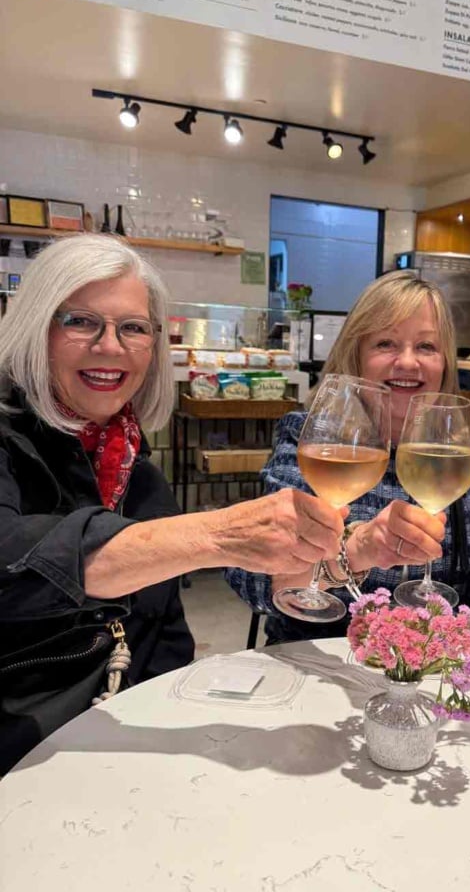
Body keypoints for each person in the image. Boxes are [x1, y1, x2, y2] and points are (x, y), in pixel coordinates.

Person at [0, 234, 345, 774]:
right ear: (36, 328)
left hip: (117, 743)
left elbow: (164, 641)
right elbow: (12, 563)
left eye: (133, 327)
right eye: (81, 321)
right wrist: (213, 536)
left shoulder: (138, 477)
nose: (110, 346)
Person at [226, 270, 470, 664]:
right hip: (316, 665)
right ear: (356, 355)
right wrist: (354, 552)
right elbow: (250, 577)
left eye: (427, 346)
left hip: (434, 674)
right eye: (386, 343)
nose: (408, 362)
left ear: (445, 362)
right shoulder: (311, 444)